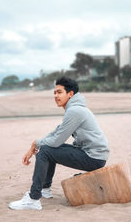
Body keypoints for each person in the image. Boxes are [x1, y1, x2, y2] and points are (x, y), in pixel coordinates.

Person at [8, 76, 109, 210]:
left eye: (59, 92)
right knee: (46, 147)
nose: (56, 95)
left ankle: (33, 198)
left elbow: (56, 141)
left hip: (93, 158)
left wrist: (36, 144)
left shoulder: (75, 111)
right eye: (54, 92)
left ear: (70, 94)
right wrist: (36, 144)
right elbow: (57, 132)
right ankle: (44, 189)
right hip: (91, 154)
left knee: (45, 151)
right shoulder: (74, 109)